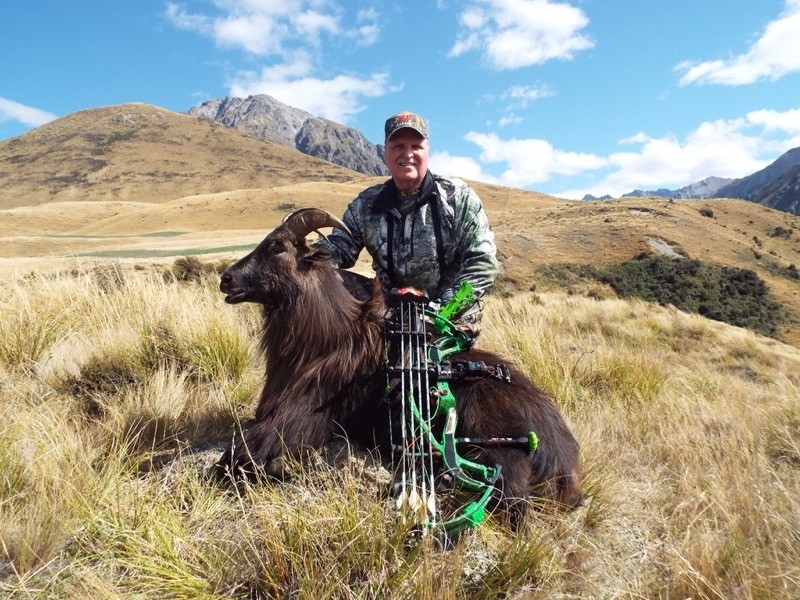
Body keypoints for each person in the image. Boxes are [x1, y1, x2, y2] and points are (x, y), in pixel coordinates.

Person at [316, 111, 499, 339]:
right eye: (398, 146)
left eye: (416, 145)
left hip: (449, 321)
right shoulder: (365, 205)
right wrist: (300, 257)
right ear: (385, 153)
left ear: (427, 151)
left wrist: (440, 313)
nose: (408, 154)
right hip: (386, 318)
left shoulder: (458, 197)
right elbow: (337, 250)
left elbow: (483, 262)